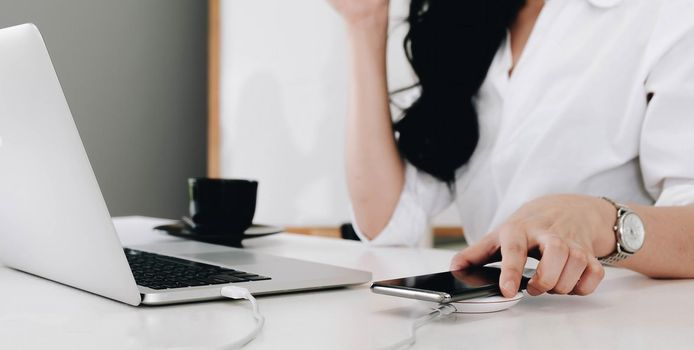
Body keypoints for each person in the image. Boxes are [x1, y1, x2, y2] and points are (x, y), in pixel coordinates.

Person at [327, 0, 694, 298]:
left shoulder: (664, 12)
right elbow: (388, 224)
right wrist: (365, 22)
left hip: (617, 322)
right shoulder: (463, 19)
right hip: (490, 321)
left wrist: (602, 221)